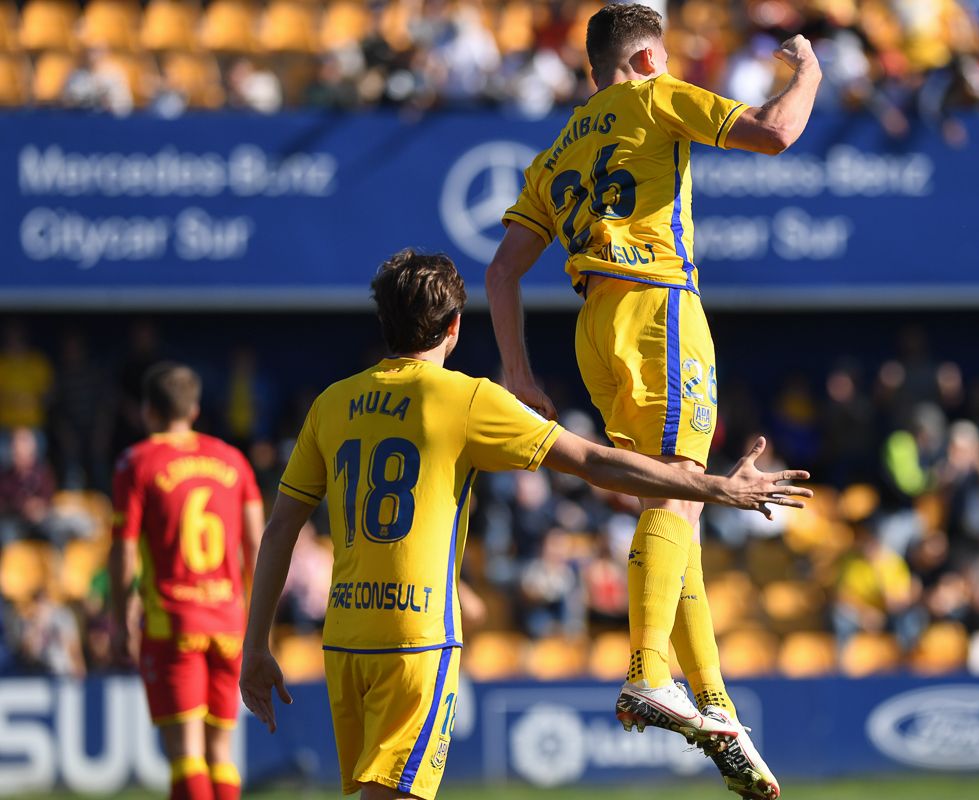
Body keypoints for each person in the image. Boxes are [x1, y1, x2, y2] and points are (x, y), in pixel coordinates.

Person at [238, 251, 811, 800]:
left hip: (344, 636)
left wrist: (256, 644)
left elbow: (281, 528)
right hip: (417, 635)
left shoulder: (330, 404)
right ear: (455, 327)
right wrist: (717, 487)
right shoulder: (466, 398)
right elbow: (593, 462)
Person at [484, 5, 821, 797]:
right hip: (659, 306)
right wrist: (810, 72)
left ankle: (716, 709)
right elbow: (776, 133)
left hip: (592, 329)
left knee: (675, 503)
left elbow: (500, 273)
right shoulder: (653, 94)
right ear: (641, 60)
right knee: (680, 503)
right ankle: (645, 671)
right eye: (661, 56)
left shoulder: (556, 149)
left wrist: (516, 371)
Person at [109, 363, 265, 800]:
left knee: (186, 754)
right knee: (222, 753)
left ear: (147, 411)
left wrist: (121, 622)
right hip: (229, 622)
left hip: (173, 622)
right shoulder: (232, 460)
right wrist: (253, 616)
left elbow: (123, 550)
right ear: (194, 409)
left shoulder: (136, 462)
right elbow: (258, 544)